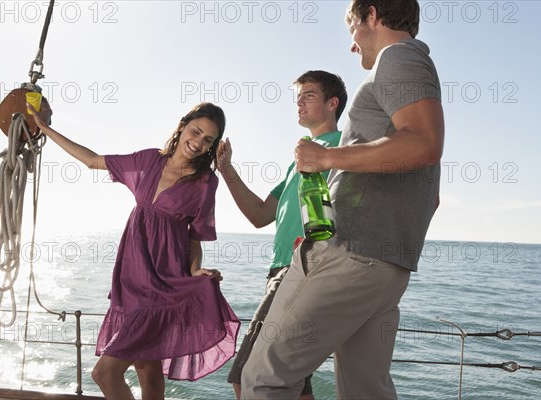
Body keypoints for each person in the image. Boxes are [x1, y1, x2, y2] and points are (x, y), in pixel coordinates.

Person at [241, 0, 444, 399]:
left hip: (350, 255)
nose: (353, 46)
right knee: (365, 391)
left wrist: (327, 157)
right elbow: (431, 196)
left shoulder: (397, 57)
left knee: (263, 379)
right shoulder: (412, 65)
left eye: (352, 27)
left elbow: (423, 142)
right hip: (388, 266)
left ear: (371, 15)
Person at [28, 101, 240, 400]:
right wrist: (46, 129)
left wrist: (194, 270)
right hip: (131, 278)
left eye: (208, 139)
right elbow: (92, 160)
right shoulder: (149, 160)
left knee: (104, 373)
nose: (198, 142)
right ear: (182, 127)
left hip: (165, 284)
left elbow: (195, 236)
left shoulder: (206, 182)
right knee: (147, 367)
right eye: (196, 131)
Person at [217, 70, 347, 400]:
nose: (299, 102)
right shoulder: (298, 160)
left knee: (246, 376)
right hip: (280, 271)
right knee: (294, 384)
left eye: (309, 96)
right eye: (298, 97)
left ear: (333, 104)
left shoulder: (344, 147)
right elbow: (260, 214)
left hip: (300, 269)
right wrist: (227, 169)